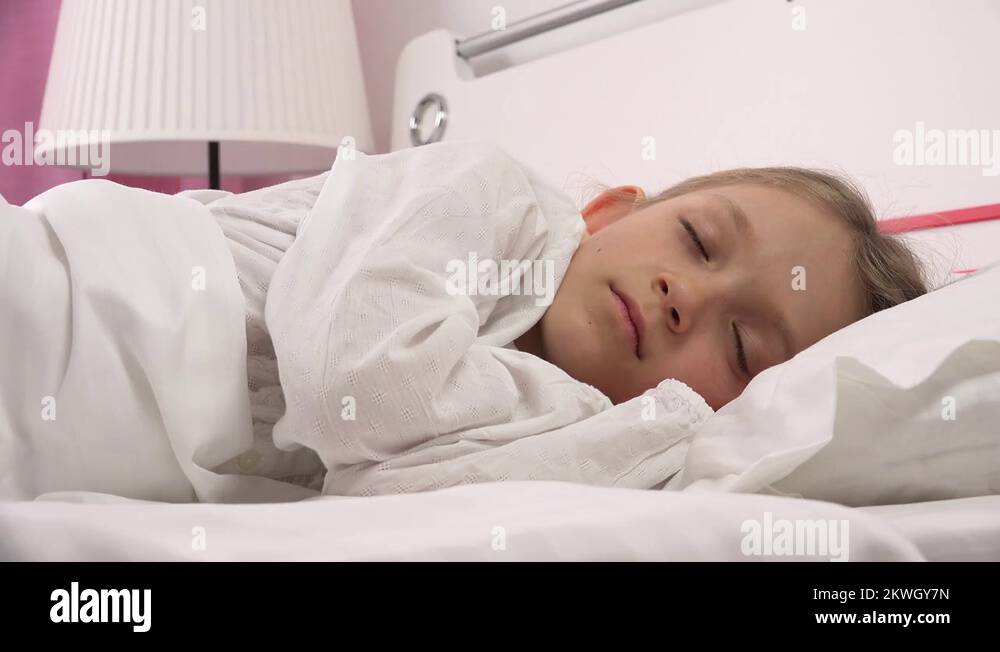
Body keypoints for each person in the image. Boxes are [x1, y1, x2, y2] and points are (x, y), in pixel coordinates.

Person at [209, 141, 927, 495]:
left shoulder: (579, 441)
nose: (688, 297)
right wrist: (662, 414)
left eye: (742, 345)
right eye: (699, 241)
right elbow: (354, 387)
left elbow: (373, 497)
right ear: (608, 210)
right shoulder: (489, 193)